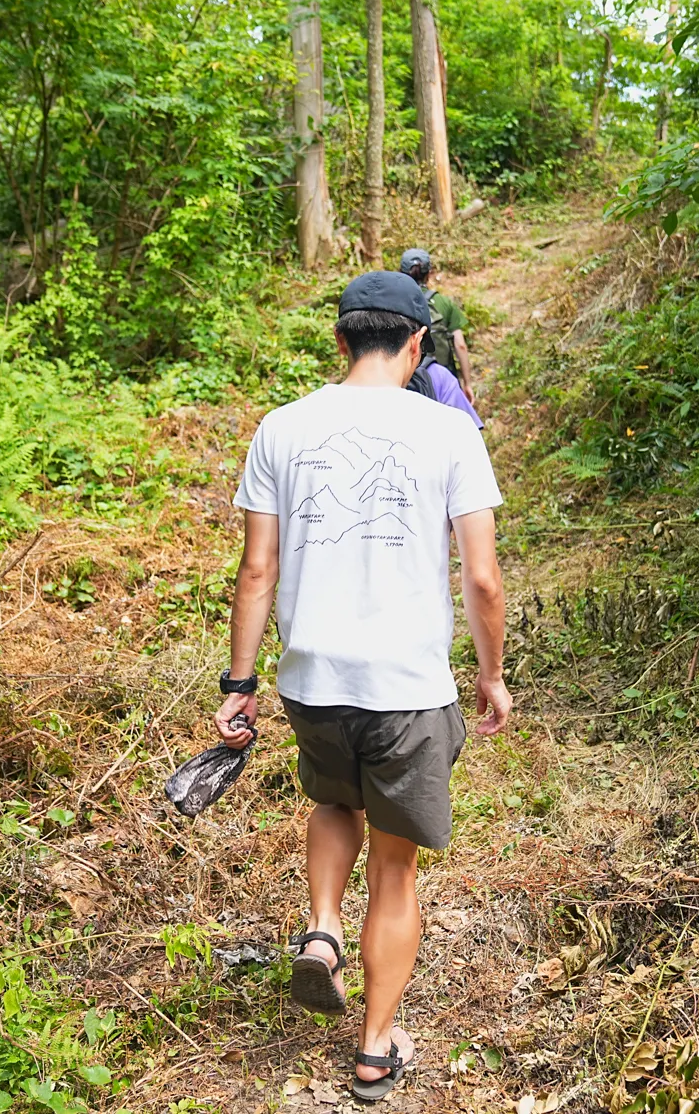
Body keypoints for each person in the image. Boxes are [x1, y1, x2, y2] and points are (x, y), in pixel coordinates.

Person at [213, 269, 512, 1102]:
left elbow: (256, 570)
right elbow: (482, 581)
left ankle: (321, 928)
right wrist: (490, 676)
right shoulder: (450, 432)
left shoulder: (280, 428)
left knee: (334, 803)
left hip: (313, 683)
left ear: (340, 340)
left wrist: (240, 683)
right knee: (397, 867)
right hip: (409, 689)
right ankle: (376, 1048)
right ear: (418, 346)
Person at [399, 248, 475, 406]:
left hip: (404, 380)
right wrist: (467, 383)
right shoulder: (443, 302)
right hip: (441, 378)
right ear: (429, 273)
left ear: (401, 273)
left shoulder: (395, 303)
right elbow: (460, 345)